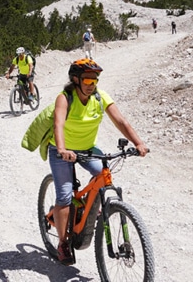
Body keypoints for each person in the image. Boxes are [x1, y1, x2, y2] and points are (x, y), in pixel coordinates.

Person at [48, 58, 149, 265]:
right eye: (87, 79)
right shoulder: (65, 98)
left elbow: (121, 121)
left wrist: (138, 143)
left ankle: (87, 208)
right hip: (62, 150)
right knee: (64, 196)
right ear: (75, 79)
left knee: (103, 175)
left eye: (94, 79)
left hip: (87, 148)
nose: (91, 84)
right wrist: (62, 149)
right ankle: (63, 243)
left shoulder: (100, 97)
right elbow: (58, 124)